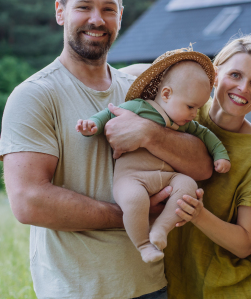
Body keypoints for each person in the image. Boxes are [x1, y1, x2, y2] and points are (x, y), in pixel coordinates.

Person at [0, 0, 213, 299]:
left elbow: (202, 164)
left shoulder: (140, 91)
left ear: (120, 16)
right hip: (76, 290)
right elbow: (29, 202)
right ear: (60, 11)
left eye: (108, 9)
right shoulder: (35, 95)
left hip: (152, 284)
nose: (97, 19)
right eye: (84, 6)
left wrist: (150, 133)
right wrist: (135, 212)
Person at [138, 35, 251, 298]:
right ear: (215, 74)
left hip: (228, 288)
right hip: (168, 282)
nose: (242, 88)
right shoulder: (180, 112)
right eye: (235, 74)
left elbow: (246, 243)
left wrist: (198, 215)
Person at [76, 50, 231, 263]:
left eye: (198, 108)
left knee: (187, 186)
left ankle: (160, 229)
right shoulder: (139, 108)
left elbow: (208, 137)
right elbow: (110, 112)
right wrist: (93, 124)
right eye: (190, 107)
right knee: (134, 199)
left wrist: (221, 156)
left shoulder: (187, 124)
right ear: (166, 94)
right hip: (132, 178)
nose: (195, 114)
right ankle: (143, 245)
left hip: (167, 178)